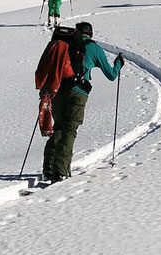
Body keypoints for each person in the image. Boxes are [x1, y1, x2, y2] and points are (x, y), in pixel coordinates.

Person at [40, 21, 123, 186]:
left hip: (57, 90)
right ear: (91, 33)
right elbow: (111, 75)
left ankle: (48, 167)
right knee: (70, 129)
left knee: (58, 127)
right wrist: (119, 63)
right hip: (79, 92)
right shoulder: (94, 48)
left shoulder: (63, 43)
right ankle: (60, 171)